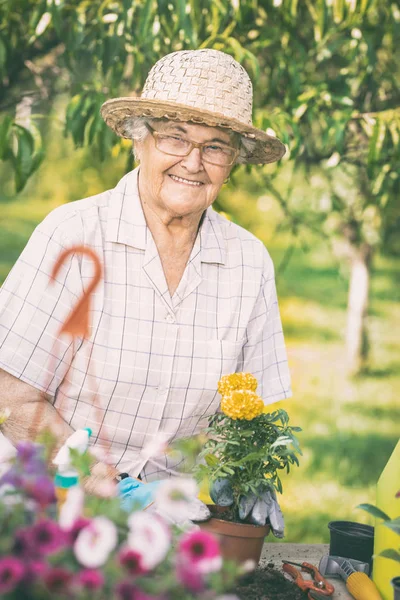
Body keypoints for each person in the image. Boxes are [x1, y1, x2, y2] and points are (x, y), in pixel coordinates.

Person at [0, 49, 292, 496]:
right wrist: (104, 488)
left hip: (174, 518)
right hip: (54, 504)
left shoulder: (249, 263)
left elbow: (252, 414)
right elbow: (15, 399)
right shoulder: (73, 235)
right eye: (175, 137)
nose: (193, 162)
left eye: (215, 146)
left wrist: (246, 484)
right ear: (140, 142)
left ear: (233, 162)